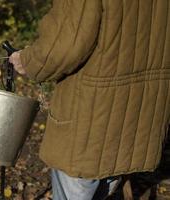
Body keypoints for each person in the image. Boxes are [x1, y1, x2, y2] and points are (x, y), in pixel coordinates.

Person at [9, 0, 170, 199]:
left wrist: (29, 60)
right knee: (112, 170)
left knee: (79, 181)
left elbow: (64, 45)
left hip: (93, 112)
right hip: (143, 107)